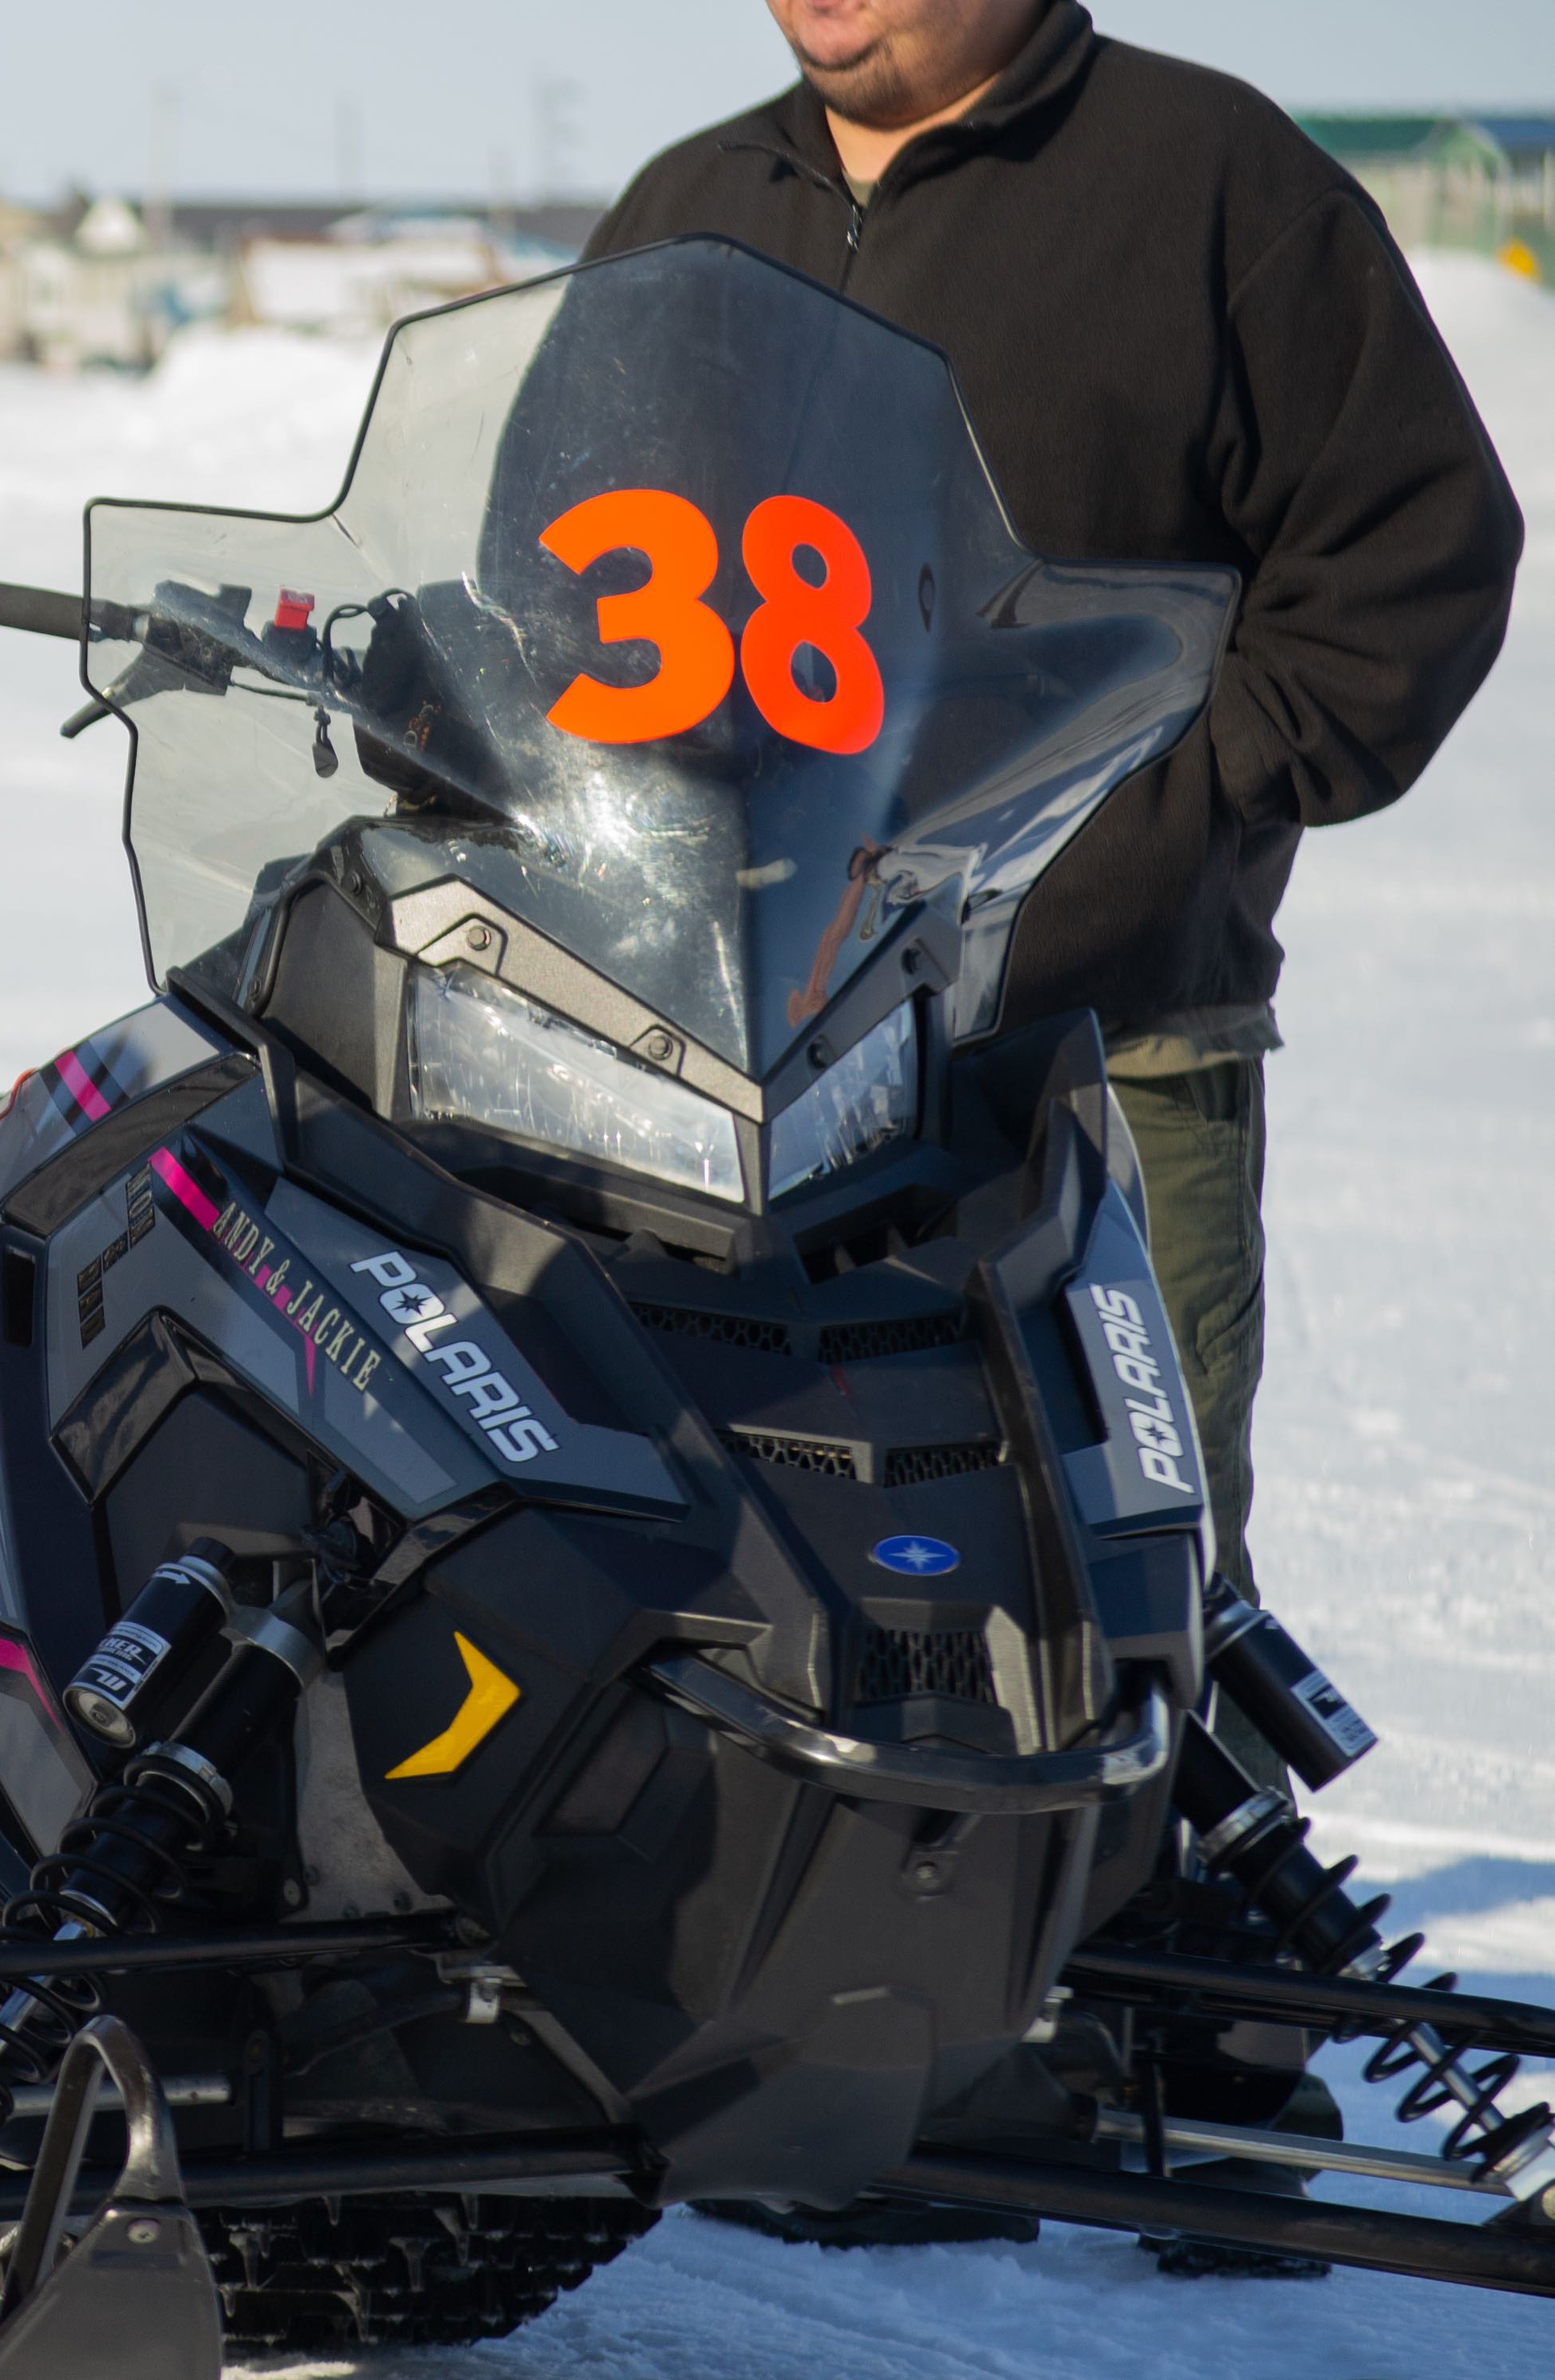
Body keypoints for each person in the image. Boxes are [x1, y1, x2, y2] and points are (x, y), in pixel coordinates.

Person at [584, 0, 1522, 1609]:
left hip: (1097, 1060)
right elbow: (553, 579)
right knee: (756, 1597)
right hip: (733, 1073)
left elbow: (1407, 559)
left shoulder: (1206, 178)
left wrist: (1180, 804)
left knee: (1115, 1609)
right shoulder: (688, 208)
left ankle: (1155, 1869)